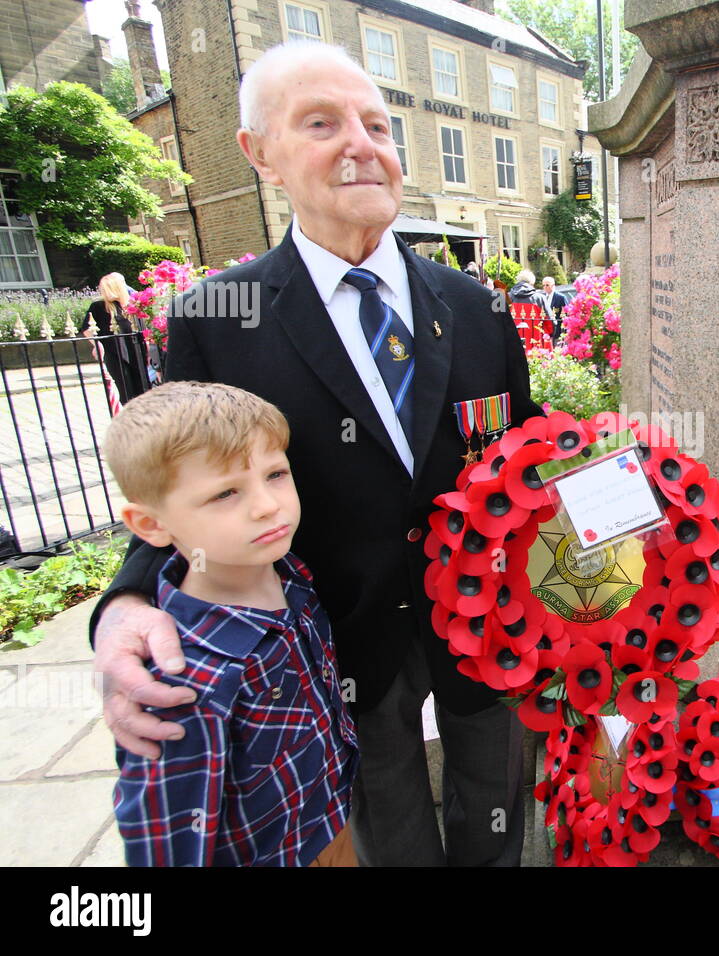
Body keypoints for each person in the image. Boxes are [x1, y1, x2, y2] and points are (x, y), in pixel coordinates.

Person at [89, 39, 541, 867]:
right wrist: (125, 603)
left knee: (499, 798)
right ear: (260, 155)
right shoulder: (218, 320)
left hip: (488, 630)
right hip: (338, 641)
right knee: (383, 813)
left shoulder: (477, 306)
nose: (360, 143)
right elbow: (171, 481)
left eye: (376, 122)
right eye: (321, 123)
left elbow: (529, 458)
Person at [104, 381, 357, 866]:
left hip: (330, 823)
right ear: (151, 525)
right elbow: (167, 842)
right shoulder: (181, 680)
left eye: (276, 474)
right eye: (225, 493)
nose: (267, 504)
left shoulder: (292, 577)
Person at [83, 273, 149, 406]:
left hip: (137, 351)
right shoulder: (99, 307)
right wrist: (97, 345)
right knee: (126, 392)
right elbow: (87, 328)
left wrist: (147, 349)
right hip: (115, 354)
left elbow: (144, 330)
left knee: (144, 390)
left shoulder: (133, 305)